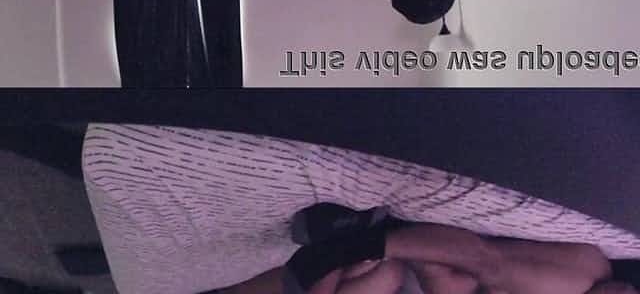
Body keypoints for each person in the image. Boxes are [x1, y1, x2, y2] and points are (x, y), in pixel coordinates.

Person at [201, 203, 639, 294]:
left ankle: (345, 241)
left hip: (418, 272)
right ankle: (352, 241)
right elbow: (488, 264)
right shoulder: (588, 271)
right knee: (484, 269)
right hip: (460, 259)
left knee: (382, 275)